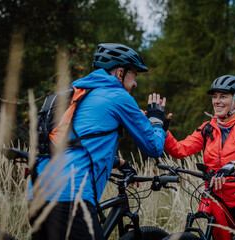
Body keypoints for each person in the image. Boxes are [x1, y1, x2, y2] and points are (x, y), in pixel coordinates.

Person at [29, 43, 168, 240]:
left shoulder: (78, 92)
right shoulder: (118, 96)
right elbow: (154, 147)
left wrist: (119, 162)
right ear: (120, 73)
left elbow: (74, 144)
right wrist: (156, 121)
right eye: (134, 74)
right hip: (69, 195)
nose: (135, 83)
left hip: (37, 191)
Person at [164, 75, 235, 240]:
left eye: (223, 96)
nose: (217, 101)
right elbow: (180, 150)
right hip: (216, 198)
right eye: (214, 96)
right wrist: (162, 131)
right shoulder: (207, 128)